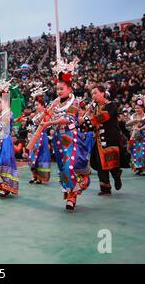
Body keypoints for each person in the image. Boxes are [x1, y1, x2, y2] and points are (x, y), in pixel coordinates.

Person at [39, 60, 90, 210]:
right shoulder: (56, 102)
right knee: (63, 169)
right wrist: (42, 118)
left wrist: (48, 124)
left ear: (69, 88)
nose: (59, 92)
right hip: (58, 138)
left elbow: (67, 119)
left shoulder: (74, 102)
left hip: (71, 137)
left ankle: (74, 194)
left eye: (62, 89)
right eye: (57, 89)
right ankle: (70, 196)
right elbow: (45, 115)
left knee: (70, 166)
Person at [80, 85, 123, 196]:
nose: (93, 96)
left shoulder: (111, 105)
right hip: (99, 140)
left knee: (112, 163)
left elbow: (103, 117)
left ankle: (117, 176)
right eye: (92, 94)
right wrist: (82, 125)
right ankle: (105, 188)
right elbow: (91, 125)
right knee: (100, 164)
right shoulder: (94, 108)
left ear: (103, 93)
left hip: (111, 139)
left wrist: (86, 119)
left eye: (95, 93)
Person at [27, 87, 51, 184]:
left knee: (41, 156)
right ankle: (34, 176)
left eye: (37, 105)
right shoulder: (35, 115)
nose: (35, 107)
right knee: (32, 156)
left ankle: (41, 177)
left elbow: (43, 125)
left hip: (41, 137)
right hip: (34, 137)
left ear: (42, 106)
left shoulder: (46, 115)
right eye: (35, 105)